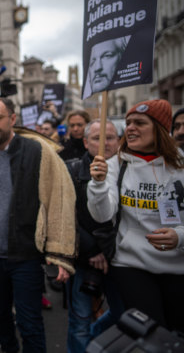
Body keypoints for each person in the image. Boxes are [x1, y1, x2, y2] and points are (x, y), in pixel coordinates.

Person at [0, 97, 76, 353]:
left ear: (12, 119)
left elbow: (59, 199)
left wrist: (60, 253)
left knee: (30, 323)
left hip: (26, 257)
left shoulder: (36, 151)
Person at [88, 99, 184, 332]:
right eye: (129, 123)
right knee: (151, 333)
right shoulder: (114, 165)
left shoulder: (180, 165)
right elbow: (102, 216)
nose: (130, 128)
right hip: (131, 264)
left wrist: (179, 236)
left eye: (140, 123)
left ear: (160, 129)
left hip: (178, 266)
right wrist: (98, 185)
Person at [66, 120, 124, 352]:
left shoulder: (128, 171)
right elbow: (66, 217)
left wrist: (107, 250)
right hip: (84, 259)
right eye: (97, 138)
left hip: (119, 258)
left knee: (124, 313)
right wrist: (93, 251)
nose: (104, 143)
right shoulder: (72, 170)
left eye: (110, 137)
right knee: (79, 320)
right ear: (86, 142)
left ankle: (95, 339)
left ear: (119, 141)